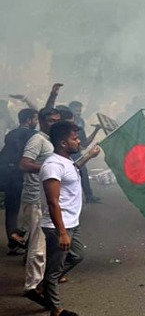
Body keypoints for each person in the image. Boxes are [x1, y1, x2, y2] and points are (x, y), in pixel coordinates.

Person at [40, 121, 100, 316]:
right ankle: (56, 309)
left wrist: (89, 156)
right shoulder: (52, 165)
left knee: (77, 256)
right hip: (60, 225)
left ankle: (45, 286)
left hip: (72, 222)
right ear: (63, 143)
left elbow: (72, 169)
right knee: (55, 268)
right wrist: (62, 232)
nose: (79, 141)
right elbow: (52, 202)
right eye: (74, 139)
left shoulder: (65, 161)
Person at [18, 108, 60, 306]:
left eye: (57, 121)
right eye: (51, 121)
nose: (55, 124)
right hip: (35, 198)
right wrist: (47, 168)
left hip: (44, 198)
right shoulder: (38, 140)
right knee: (38, 244)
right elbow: (24, 164)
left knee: (43, 244)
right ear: (42, 121)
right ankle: (32, 286)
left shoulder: (51, 142)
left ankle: (39, 282)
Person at [1, 108, 40, 255]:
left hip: (8, 176)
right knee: (29, 210)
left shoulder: (10, 134)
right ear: (29, 120)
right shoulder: (33, 136)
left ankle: (13, 244)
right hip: (24, 177)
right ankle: (26, 243)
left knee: (11, 210)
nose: (37, 122)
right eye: (35, 119)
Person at [68, 101, 102, 204]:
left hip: (76, 152)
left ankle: (89, 196)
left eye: (79, 110)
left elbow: (84, 143)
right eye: (76, 110)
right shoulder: (64, 125)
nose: (78, 113)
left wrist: (96, 130)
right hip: (67, 153)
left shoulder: (80, 122)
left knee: (83, 172)